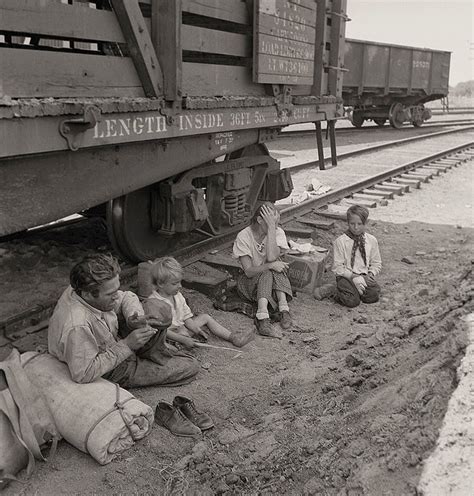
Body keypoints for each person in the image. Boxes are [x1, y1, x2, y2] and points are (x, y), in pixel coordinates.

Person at [48, 253, 199, 387]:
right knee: (189, 365)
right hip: (109, 368)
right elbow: (84, 373)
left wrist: (134, 316)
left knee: (157, 309)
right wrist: (127, 345)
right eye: (110, 294)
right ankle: (146, 357)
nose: (116, 296)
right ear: (88, 294)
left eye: (116, 289)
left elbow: (127, 296)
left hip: (112, 341)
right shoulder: (77, 325)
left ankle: (150, 352)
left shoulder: (84, 289)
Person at [145, 257, 254, 348]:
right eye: (175, 284)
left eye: (179, 282)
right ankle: (179, 345)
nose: (180, 286)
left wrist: (197, 330)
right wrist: (182, 338)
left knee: (205, 317)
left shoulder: (177, 296)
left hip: (181, 329)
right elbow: (161, 331)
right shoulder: (154, 302)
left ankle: (233, 337)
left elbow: (186, 318)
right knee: (169, 339)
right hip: (167, 335)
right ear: (160, 284)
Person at [232, 202, 293, 337]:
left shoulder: (277, 232)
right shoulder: (244, 236)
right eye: (271, 223)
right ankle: (262, 318)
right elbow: (248, 271)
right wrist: (270, 265)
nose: (276, 227)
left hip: (272, 286)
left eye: (276, 223)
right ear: (260, 220)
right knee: (269, 269)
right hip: (249, 284)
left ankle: (283, 309)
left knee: (277, 266)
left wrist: (271, 229)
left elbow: (271, 257)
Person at [332, 205, 382, 308]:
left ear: (365, 223)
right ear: (347, 223)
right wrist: (354, 277)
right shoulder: (340, 241)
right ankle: (335, 292)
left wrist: (371, 274)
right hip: (346, 277)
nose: (356, 227)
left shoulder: (371, 240)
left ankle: (354, 292)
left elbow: (376, 263)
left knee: (374, 295)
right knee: (352, 302)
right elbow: (338, 268)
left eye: (359, 224)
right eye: (352, 224)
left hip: (364, 276)